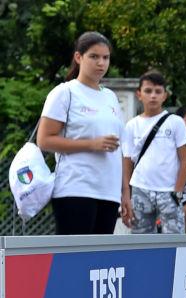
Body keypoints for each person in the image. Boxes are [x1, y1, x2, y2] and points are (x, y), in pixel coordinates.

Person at [37, 31, 124, 235]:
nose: (101, 63)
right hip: (75, 189)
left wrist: (125, 192)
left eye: (106, 57)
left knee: (99, 263)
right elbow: (44, 140)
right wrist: (91, 144)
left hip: (109, 193)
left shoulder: (111, 97)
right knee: (72, 262)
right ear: (79, 57)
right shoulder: (64, 92)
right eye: (94, 56)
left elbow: (122, 150)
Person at [120, 70, 186, 234]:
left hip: (169, 191)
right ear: (139, 94)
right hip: (139, 189)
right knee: (140, 241)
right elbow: (127, 161)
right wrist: (126, 194)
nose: (153, 96)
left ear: (165, 95)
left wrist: (178, 191)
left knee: (173, 242)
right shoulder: (132, 125)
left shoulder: (176, 123)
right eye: (148, 91)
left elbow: (185, 160)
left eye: (158, 91)